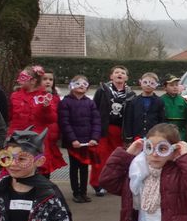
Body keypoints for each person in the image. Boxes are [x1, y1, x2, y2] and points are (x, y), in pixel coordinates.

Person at [9, 65, 65, 176]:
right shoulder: (14, 95)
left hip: (37, 140)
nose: (19, 80)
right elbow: (10, 117)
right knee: (17, 169)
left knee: (39, 170)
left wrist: (46, 107)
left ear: (33, 81)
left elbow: (52, 119)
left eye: (23, 77)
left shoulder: (45, 96)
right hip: (17, 138)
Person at [58, 74, 101, 203]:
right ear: (71, 86)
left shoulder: (90, 103)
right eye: (78, 83)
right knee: (74, 167)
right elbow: (64, 123)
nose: (81, 86)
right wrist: (72, 140)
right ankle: (76, 192)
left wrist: (94, 138)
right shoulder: (65, 102)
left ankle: (83, 192)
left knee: (84, 167)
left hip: (87, 141)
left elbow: (96, 121)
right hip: (74, 142)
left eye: (84, 84)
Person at [92, 65, 134, 195]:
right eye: (116, 72)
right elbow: (94, 109)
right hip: (104, 129)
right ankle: (97, 183)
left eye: (122, 73)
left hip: (120, 131)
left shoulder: (131, 94)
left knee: (117, 158)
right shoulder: (102, 90)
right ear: (111, 76)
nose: (119, 74)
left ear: (126, 77)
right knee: (101, 156)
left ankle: (113, 183)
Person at [122, 72, 166, 143]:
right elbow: (129, 120)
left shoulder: (159, 101)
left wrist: (161, 135)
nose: (148, 85)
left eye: (152, 83)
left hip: (153, 136)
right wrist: (128, 137)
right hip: (137, 135)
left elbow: (162, 120)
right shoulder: (133, 101)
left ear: (156, 85)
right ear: (140, 83)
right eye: (145, 82)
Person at [39, 69, 67, 175]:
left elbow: (58, 115)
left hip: (51, 136)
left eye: (50, 79)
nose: (48, 82)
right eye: (44, 79)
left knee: (48, 164)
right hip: (40, 135)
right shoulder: (37, 97)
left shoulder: (55, 97)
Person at [160, 74, 187, 141]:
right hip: (164, 133)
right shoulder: (160, 100)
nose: (175, 87)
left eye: (176, 85)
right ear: (165, 87)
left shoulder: (184, 101)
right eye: (171, 85)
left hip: (181, 134)